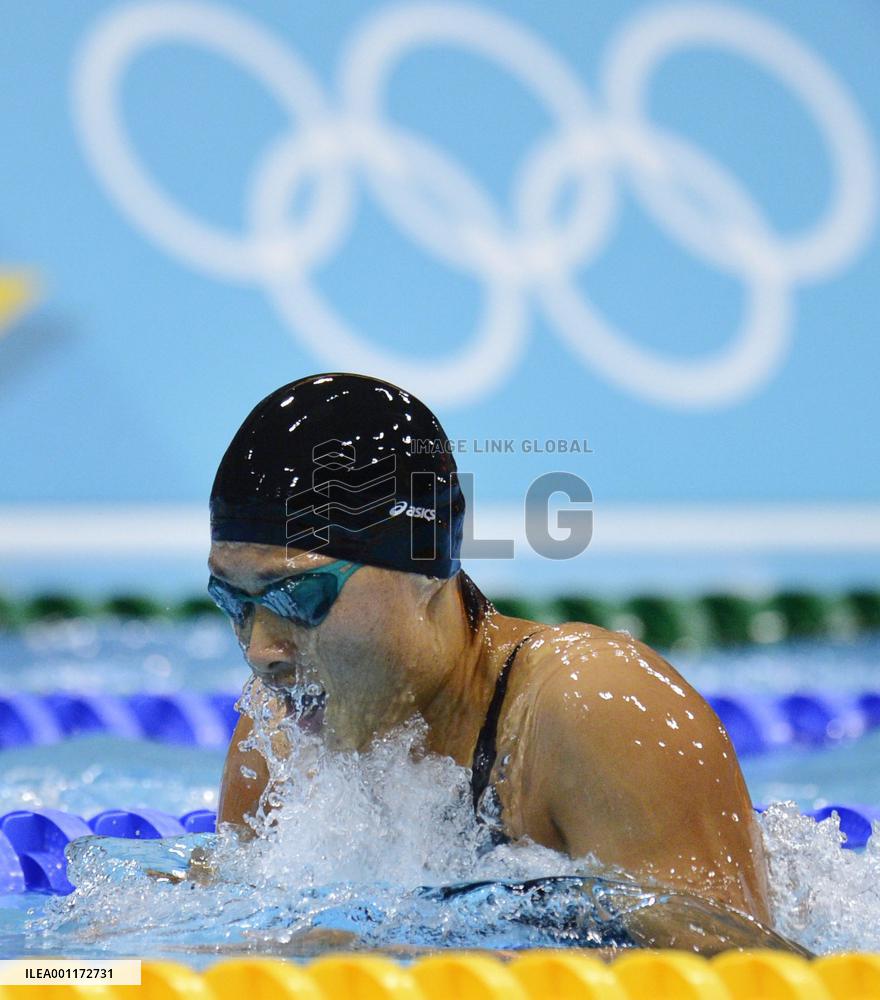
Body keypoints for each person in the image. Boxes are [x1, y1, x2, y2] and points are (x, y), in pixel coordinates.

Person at [208, 372, 775, 937]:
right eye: (233, 600)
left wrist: (398, 961)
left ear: (424, 565)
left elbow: (747, 981)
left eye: (297, 595)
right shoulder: (277, 736)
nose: (260, 651)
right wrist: (115, 976)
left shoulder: (592, 711)